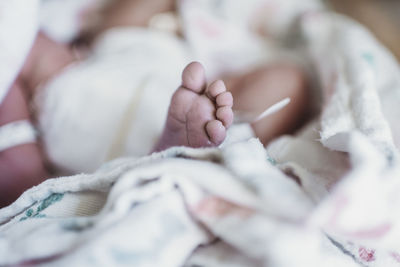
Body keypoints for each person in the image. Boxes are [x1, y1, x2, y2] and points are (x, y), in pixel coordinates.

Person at [0, 0, 309, 207]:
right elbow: (13, 49)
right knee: (287, 81)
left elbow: (16, 54)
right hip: (102, 96)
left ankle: (216, 146)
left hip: (109, 96)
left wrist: (16, 142)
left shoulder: (78, 56)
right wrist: (20, 153)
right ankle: (210, 149)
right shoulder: (75, 55)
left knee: (288, 80)